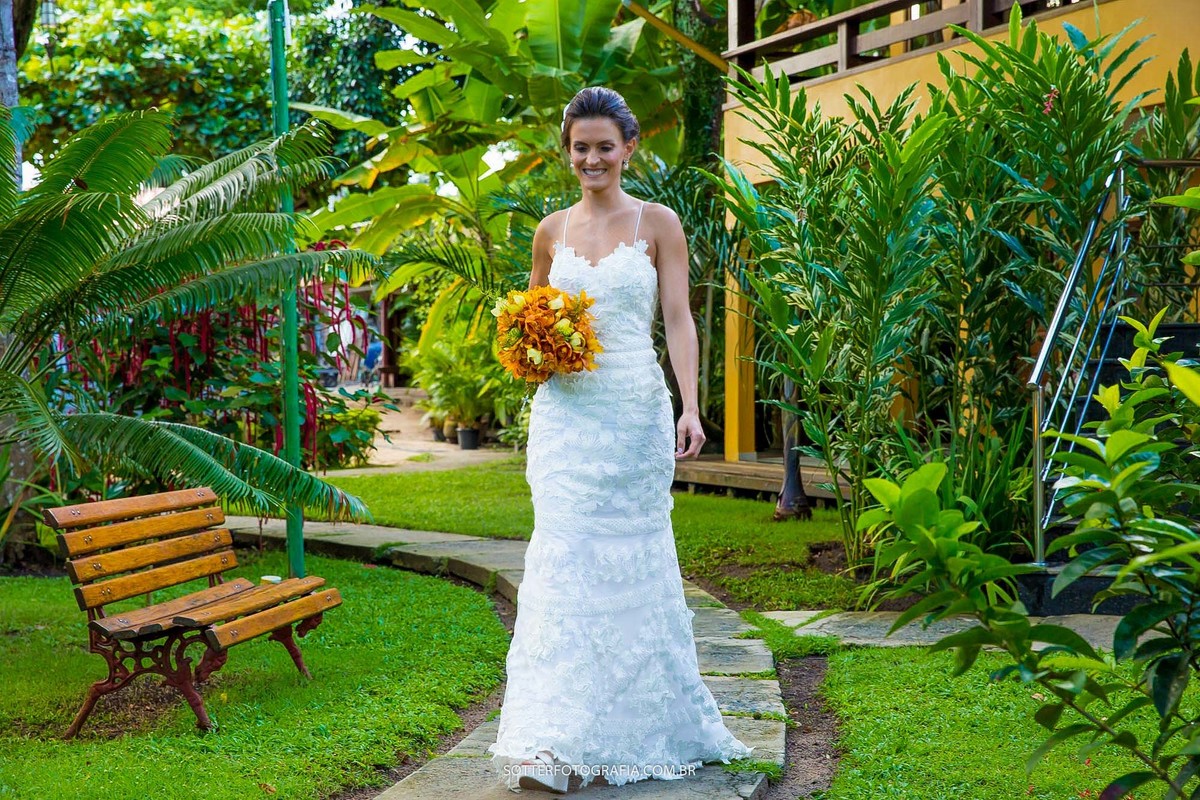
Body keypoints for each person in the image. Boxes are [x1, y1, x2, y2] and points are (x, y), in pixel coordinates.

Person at [486, 87, 753, 794]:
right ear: (567, 152)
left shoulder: (658, 223)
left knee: (632, 563)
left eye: (606, 145)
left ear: (629, 148)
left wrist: (691, 406)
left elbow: (679, 321)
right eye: (581, 147)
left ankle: (637, 727)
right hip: (566, 423)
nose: (593, 158)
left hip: (634, 415)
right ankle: (553, 743)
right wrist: (529, 351)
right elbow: (529, 319)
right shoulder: (550, 231)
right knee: (564, 561)